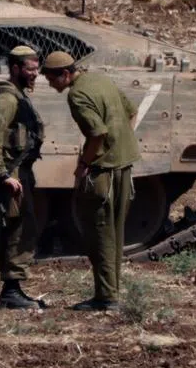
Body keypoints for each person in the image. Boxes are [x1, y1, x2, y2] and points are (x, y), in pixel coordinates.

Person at [41, 50, 140, 312]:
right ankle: (112, 292)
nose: (50, 85)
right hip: (124, 166)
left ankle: (107, 298)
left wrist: (83, 164)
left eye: (51, 79)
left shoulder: (77, 95)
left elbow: (97, 133)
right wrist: (118, 145)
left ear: (65, 74)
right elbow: (131, 112)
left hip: (102, 173)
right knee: (115, 233)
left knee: (100, 235)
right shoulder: (101, 80)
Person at [0, 45, 46, 309]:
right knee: (16, 230)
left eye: (37, 68)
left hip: (19, 172)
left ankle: (14, 287)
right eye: (30, 69)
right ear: (16, 69)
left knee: (22, 226)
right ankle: (11, 289)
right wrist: (2, 173)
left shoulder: (17, 97)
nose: (36, 74)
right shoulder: (6, 100)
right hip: (13, 174)